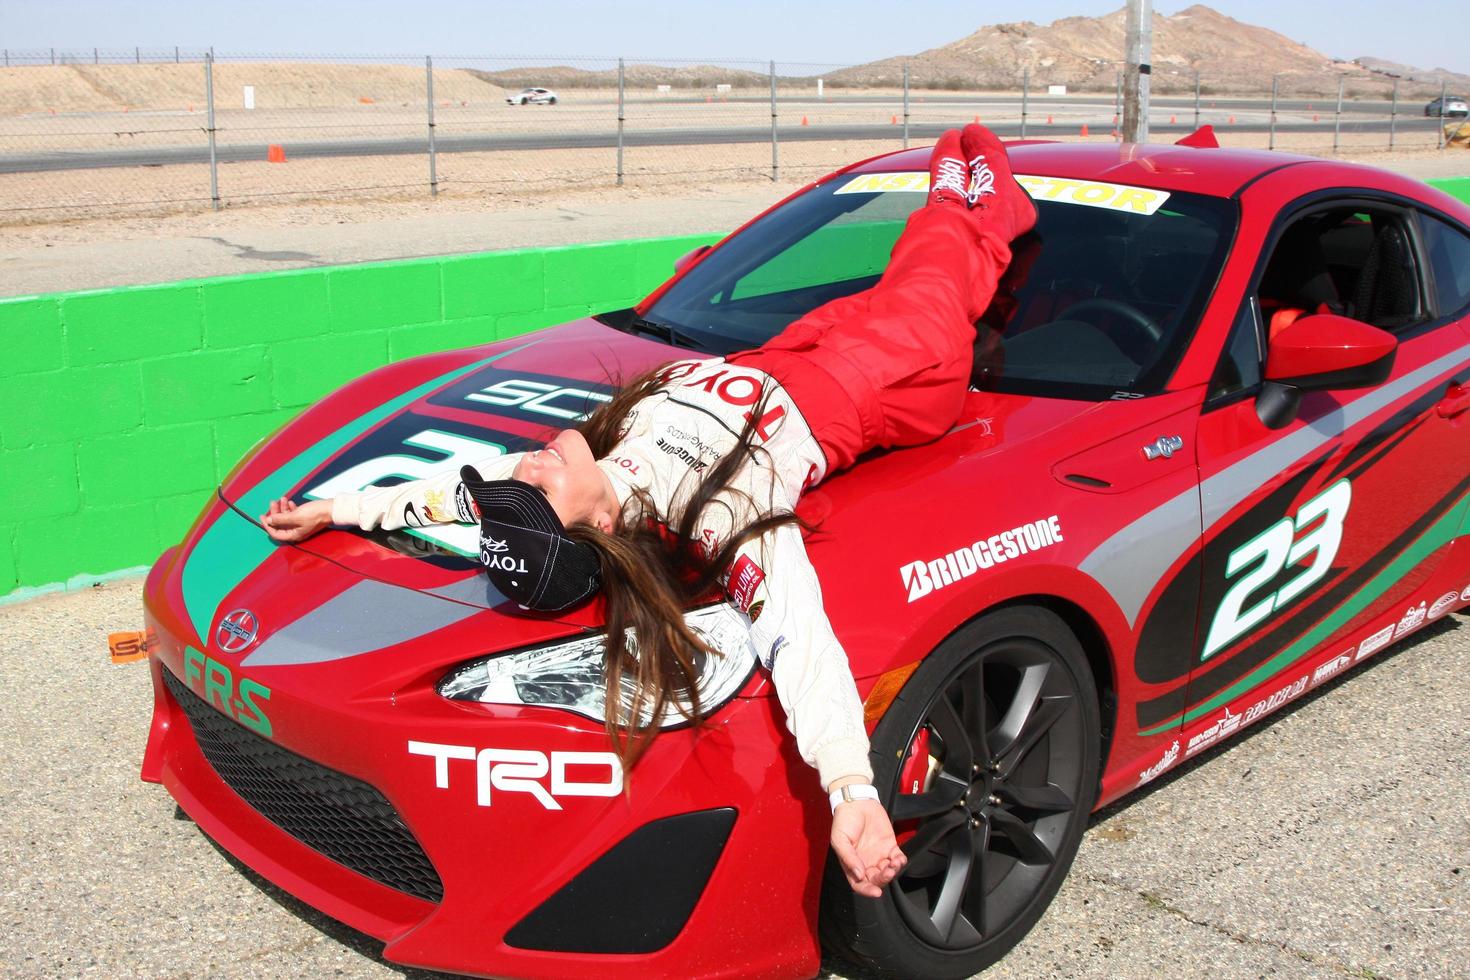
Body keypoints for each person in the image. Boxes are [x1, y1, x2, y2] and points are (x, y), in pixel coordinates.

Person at [262, 123, 1037, 898]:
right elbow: (799, 639)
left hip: (789, 352)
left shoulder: (583, 464)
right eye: (537, 489)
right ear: (598, 528)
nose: (530, 464)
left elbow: (460, 488)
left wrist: (342, 508)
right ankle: (978, 199)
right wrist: (852, 791)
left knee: (929, 260)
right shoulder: (717, 511)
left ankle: (966, 207)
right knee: (941, 264)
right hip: (888, 376)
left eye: (520, 480)